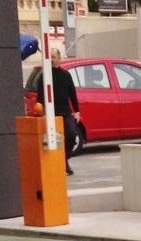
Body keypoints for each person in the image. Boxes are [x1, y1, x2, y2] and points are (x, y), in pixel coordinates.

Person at [48, 47, 80, 175]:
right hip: (51, 113)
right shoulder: (45, 76)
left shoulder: (66, 75)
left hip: (65, 111)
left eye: (54, 57)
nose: (51, 60)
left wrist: (77, 111)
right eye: (49, 57)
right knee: (54, 140)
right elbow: (40, 96)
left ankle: (65, 157)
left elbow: (73, 94)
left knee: (72, 134)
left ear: (59, 59)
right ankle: (58, 164)